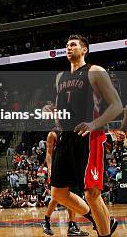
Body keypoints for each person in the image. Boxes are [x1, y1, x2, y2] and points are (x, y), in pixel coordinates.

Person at [47, 35, 122, 237]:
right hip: (66, 137)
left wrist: (93, 124)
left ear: (84, 50)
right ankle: (102, 220)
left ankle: (104, 232)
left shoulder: (95, 71)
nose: (68, 48)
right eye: (66, 45)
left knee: (91, 193)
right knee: (58, 193)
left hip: (89, 136)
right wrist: (53, 110)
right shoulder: (60, 77)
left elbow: (116, 106)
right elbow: (64, 110)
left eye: (73, 45)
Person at [41, 130, 89, 236]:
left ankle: (72, 225)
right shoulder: (52, 134)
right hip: (57, 168)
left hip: (70, 166)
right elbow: (49, 153)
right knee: (56, 196)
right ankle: (46, 220)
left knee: (72, 195)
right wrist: (50, 169)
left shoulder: (71, 132)